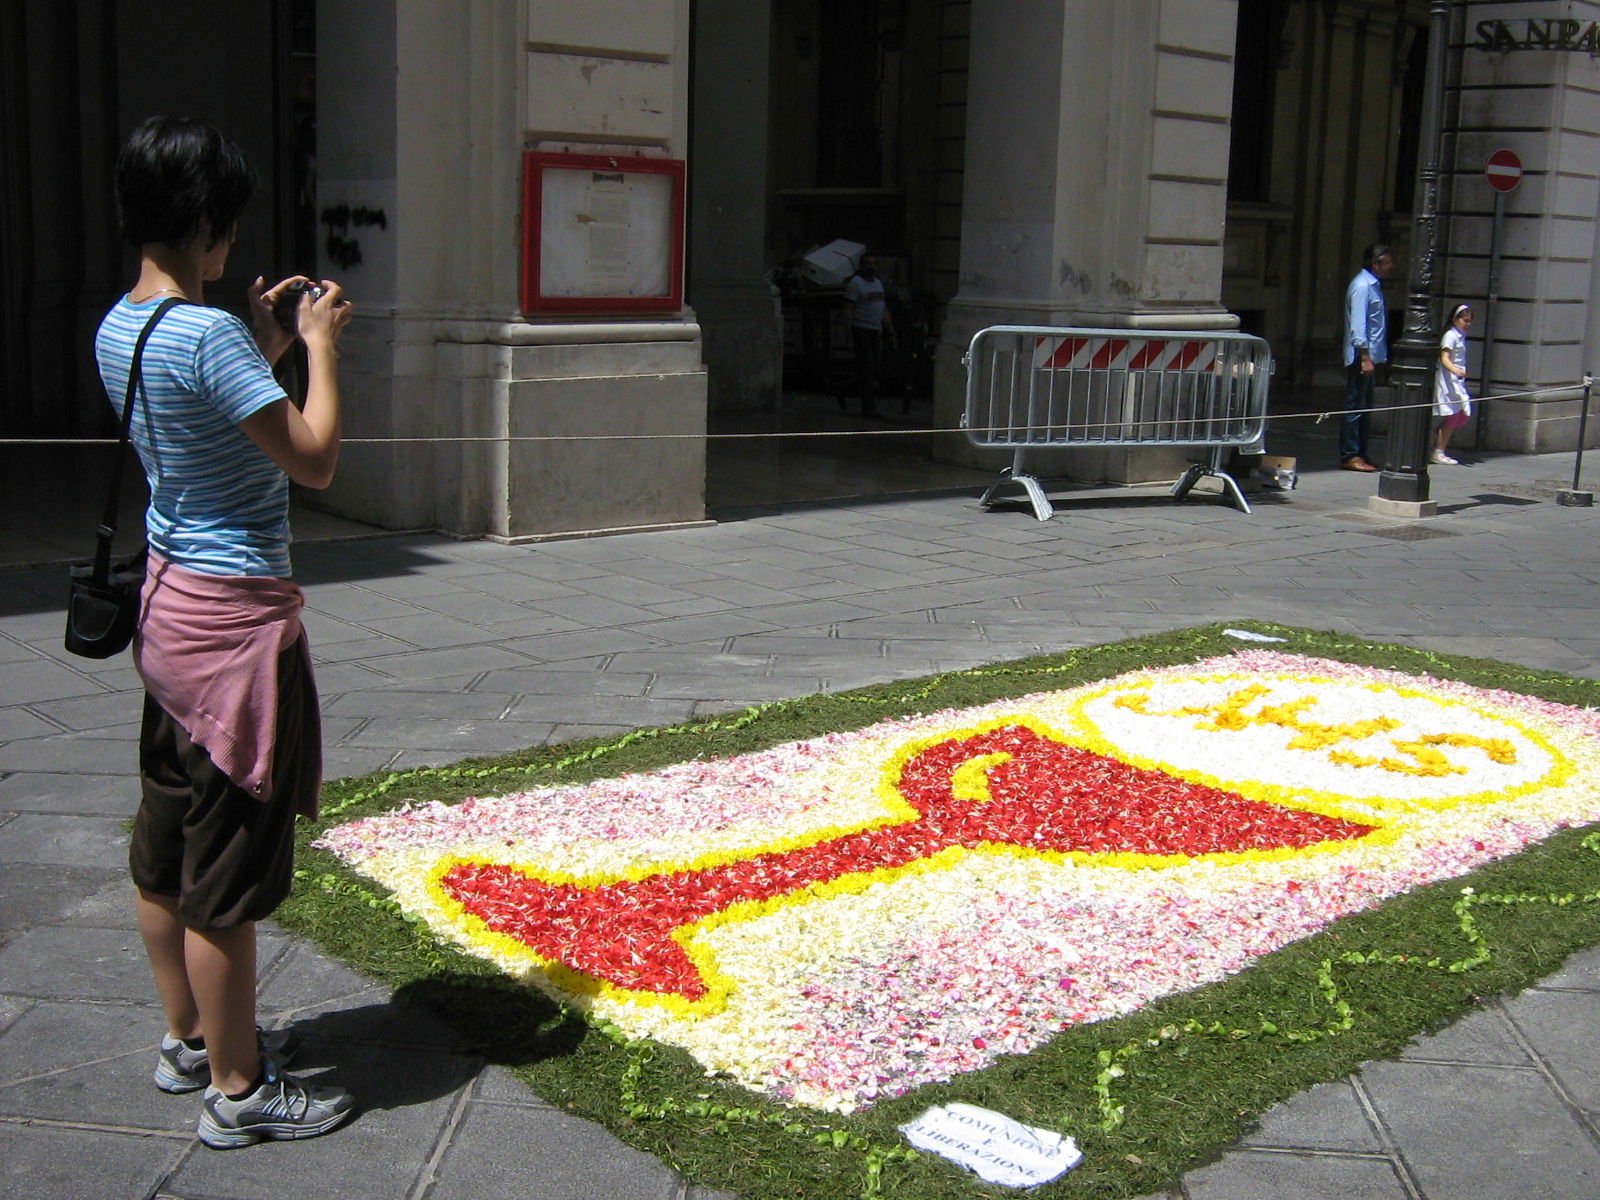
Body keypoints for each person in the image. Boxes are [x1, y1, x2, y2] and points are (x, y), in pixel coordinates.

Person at [95, 115, 355, 1149]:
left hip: (166, 616)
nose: (232, 247)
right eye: (228, 228)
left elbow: (208, 411)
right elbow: (314, 455)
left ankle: (188, 1041)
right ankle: (241, 1091)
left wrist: (269, 344)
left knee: (164, 849)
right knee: (226, 878)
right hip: (234, 629)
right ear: (207, 223)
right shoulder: (206, 337)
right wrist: (321, 352)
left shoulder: (125, 323)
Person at [1341, 243, 1394, 471]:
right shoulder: (1362, 286)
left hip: (1370, 356)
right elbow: (1358, 326)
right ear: (1375, 263)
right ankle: (1351, 454)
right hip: (1360, 357)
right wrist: (1365, 356)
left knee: (1364, 407)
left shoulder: (1373, 285)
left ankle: (1361, 452)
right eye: (1388, 262)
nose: (1391, 266)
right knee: (1355, 407)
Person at [844, 252, 895, 416]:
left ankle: (843, 388)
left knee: (873, 368)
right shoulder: (856, 284)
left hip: (876, 330)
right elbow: (848, 309)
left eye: (875, 263)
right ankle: (868, 406)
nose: (872, 267)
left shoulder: (878, 284)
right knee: (868, 368)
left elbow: (883, 309)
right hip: (862, 329)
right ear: (862, 266)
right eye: (868, 263)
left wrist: (891, 331)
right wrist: (849, 334)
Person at [1433, 302, 1474, 465]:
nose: (1468, 324)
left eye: (1469, 320)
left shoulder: (1459, 336)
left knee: (1462, 414)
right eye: (1465, 320)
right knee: (1454, 414)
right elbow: (1445, 358)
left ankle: (1438, 438)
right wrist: (1456, 370)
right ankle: (1439, 451)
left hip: (1457, 380)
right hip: (1448, 380)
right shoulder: (1450, 335)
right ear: (1455, 320)